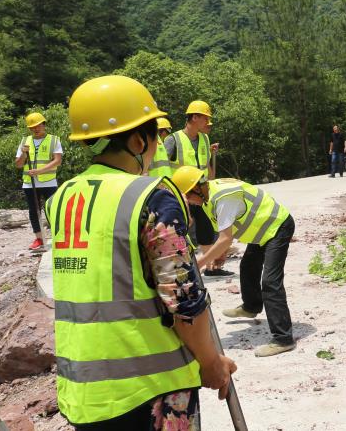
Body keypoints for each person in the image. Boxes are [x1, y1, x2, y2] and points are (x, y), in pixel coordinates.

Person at [46, 75, 236, 429]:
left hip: (84, 390)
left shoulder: (61, 199)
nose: (155, 150)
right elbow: (185, 301)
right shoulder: (151, 197)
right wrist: (211, 363)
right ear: (138, 139)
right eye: (153, 140)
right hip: (150, 390)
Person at [172, 166, 297, 357]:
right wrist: (219, 254)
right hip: (262, 231)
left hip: (277, 227)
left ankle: (283, 339)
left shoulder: (223, 198)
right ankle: (251, 307)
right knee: (247, 267)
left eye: (188, 196)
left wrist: (200, 262)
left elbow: (225, 239)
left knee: (270, 282)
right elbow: (224, 233)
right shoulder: (208, 196)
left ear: (197, 188)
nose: (189, 201)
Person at [165, 101, 229, 276]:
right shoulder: (173, 140)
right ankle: (180, 269)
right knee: (180, 232)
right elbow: (162, 166)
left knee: (206, 228)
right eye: (205, 118)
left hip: (201, 192)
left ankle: (210, 267)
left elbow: (205, 164)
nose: (208, 122)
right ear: (194, 117)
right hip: (180, 193)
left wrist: (211, 185)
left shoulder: (204, 139)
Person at [14, 112, 62, 251]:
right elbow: (18, 164)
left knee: (52, 210)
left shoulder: (54, 140)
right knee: (34, 211)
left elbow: (57, 161)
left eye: (38, 125)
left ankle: (58, 238)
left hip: (49, 182)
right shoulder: (24, 141)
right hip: (29, 182)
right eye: (32, 127)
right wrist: (23, 153)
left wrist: (39, 171)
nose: (35, 129)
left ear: (44, 124)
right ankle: (39, 239)